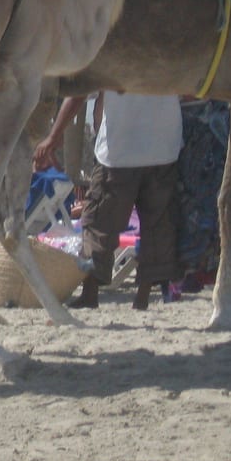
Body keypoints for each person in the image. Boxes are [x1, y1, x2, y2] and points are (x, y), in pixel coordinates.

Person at [34, 89, 183, 310]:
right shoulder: (172, 52)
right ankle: (142, 298)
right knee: (157, 226)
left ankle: (90, 295)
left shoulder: (109, 52)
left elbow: (79, 91)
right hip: (164, 147)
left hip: (119, 149)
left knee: (98, 223)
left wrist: (54, 137)